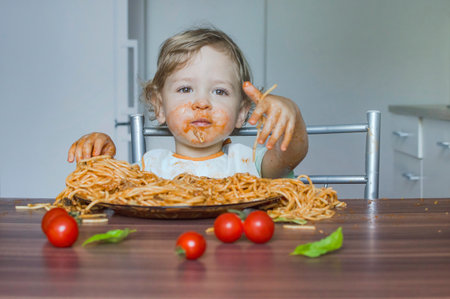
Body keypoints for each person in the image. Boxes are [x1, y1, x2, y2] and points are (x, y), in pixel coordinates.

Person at [67, 27, 308, 179]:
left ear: (242, 112)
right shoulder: (148, 168)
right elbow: (107, 189)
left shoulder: (249, 163)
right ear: (159, 106)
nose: (202, 102)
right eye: (185, 89)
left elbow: (292, 155)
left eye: (219, 91)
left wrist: (292, 115)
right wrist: (98, 157)